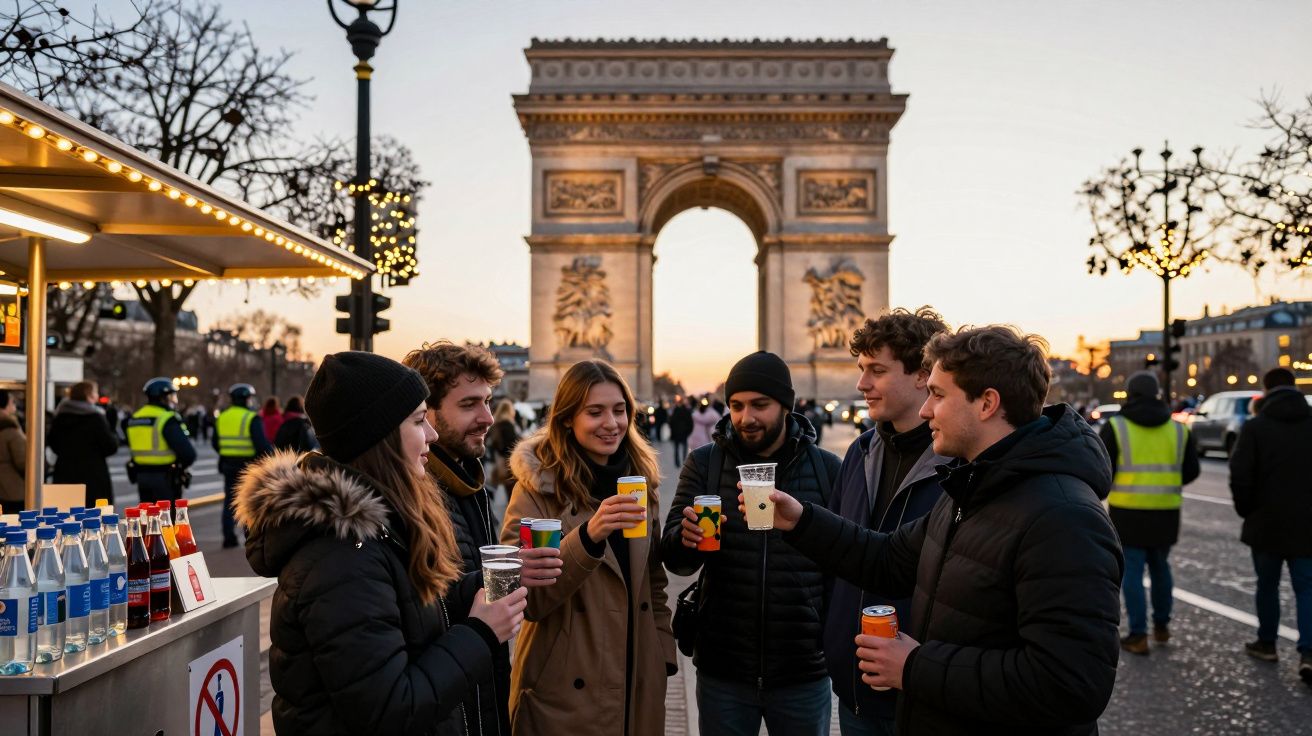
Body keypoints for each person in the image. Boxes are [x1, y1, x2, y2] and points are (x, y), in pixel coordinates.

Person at [760, 326, 1122, 735]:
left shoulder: (1065, 518)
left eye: (938, 395)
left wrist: (915, 667)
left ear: (987, 403)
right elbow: (887, 559)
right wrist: (801, 519)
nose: (926, 410)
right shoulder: (970, 487)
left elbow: (1071, 684)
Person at [234, 351, 540, 735]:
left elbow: (407, 615)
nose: (430, 433)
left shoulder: (374, 528)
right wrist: (480, 633)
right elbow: (388, 710)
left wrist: (479, 586)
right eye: (417, 421)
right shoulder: (341, 555)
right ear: (379, 439)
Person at [661, 351, 841, 736]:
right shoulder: (704, 464)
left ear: (786, 406)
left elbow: (847, 559)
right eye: (737, 405)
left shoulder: (828, 469)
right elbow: (675, 560)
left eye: (760, 405)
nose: (746, 418)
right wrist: (686, 538)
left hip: (803, 670)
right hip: (724, 668)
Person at [501, 359, 675, 736]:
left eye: (619, 410)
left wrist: (662, 655)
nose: (611, 424)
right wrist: (588, 537)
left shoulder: (642, 487)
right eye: (594, 412)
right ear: (566, 418)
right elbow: (528, 598)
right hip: (565, 689)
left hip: (636, 680)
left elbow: (653, 584)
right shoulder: (537, 491)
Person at [404, 342, 555, 735]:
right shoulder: (413, 497)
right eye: (469, 404)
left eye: (488, 401)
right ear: (426, 413)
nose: (488, 417)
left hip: (479, 698)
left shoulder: (468, 480)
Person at [826, 308, 950, 736]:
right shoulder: (858, 452)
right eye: (861, 369)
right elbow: (839, 562)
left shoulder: (964, 466)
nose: (861, 384)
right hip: (855, 687)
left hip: (924, 693)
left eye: (876, 370)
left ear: (922, 374)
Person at [1099, 370, 1200, 656]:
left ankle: (1138, 634)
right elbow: (1191, 470)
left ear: (1129, 395)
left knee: (1131, 571)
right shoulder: (1178, 429)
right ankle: (1162, 626)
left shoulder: (1117, 427)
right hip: (1166, 509)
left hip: (1127, 510)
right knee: (1161, 567)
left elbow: (1104, 469)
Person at [1229, 367, 1312, 684]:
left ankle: (1267, 643)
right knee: (1307, 587)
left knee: (1267, 585)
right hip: (1308, 521)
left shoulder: (1256, 427)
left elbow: (1241, 473)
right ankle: (1309, 652)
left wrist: (1246, 509)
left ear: (1266, 390)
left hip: (1266, 520)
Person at [213, 383, 272, 548]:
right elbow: (261, 444)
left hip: (227, 464)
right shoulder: (251, 417)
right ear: (246, 399)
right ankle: (250, 537)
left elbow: (215, 442)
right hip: (248, 466)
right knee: (249, 501)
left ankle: (228, 537)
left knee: (229, 502)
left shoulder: (222, 417)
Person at [48, 381, 120, 506]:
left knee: (66, 516)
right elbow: (110, 446)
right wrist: (112, 429)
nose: (97, 396)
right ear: (89, 395)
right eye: (95, 392)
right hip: (93, 475)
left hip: (64, 473)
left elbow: (53, 443)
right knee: (94, 516)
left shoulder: (60, 417)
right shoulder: (96, 417)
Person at [126, 378, 197, 505]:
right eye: (171, 396)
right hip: (165, 477)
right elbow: (188, 454)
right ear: (164, 397)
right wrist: (181, 467)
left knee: (147, 517)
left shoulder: (135, 417)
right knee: (166, 520)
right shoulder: (166, 418)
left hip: (141, 476)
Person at [487, 398, 521, 498]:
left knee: (508, 491)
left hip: (499, 462)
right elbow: (513, 445)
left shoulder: (494, 425)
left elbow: (492, 444)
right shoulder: (508, 425)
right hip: (510, 463)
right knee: (513, 492)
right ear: (510, 410)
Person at [0, 388, 25, 514]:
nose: (14, 406)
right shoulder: (9, 429)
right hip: (11, 490)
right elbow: (23, 461)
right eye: (12, 402)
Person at [668, 398, 693, 467]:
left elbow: (671, 422)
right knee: (684, 446)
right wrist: (688, 431)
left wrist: (672, 430)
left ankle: (677, 462)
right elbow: (690, 423)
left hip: (676, 432)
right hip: (684, 432)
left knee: (676, 447)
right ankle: (684, 460)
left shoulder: (676, 411)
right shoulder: (687, 411)